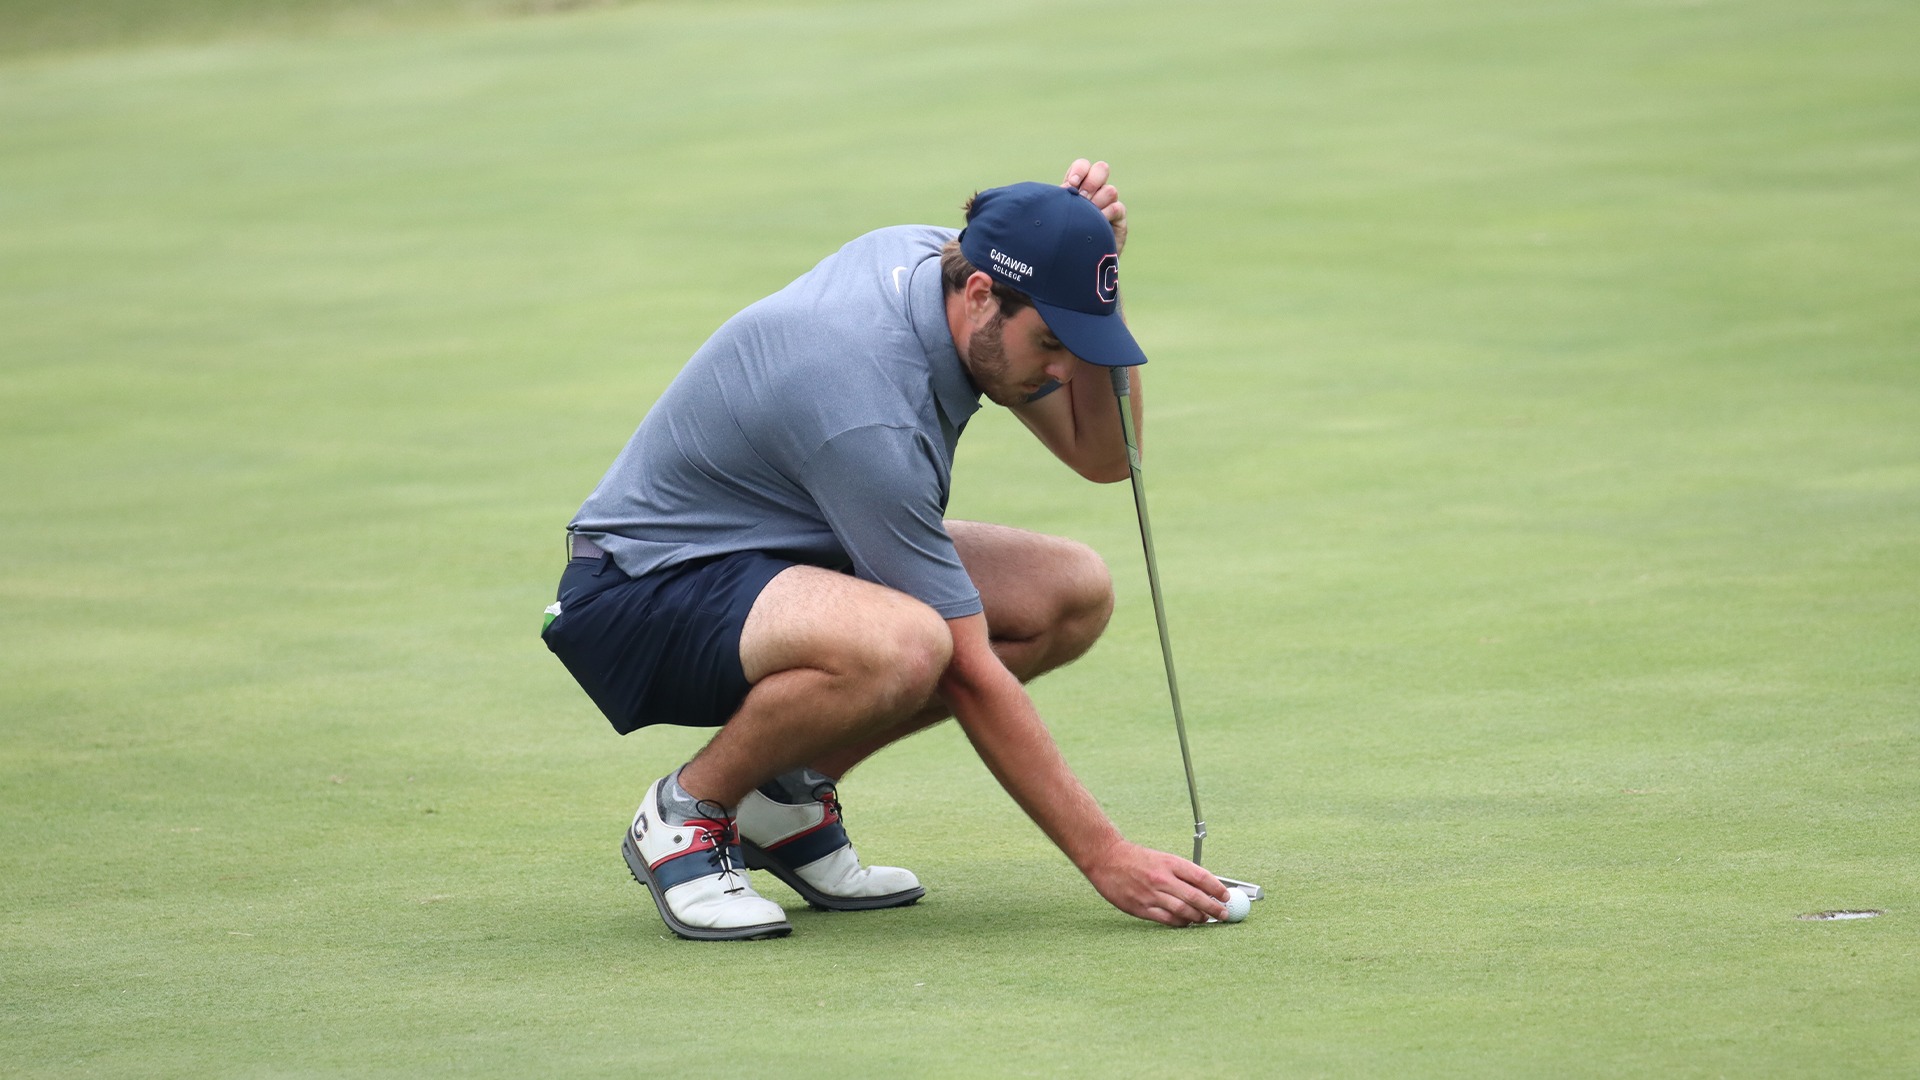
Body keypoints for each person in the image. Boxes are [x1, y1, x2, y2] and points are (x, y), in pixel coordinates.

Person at [542, 159, 1232, 940]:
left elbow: (1104, 455)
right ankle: (688, 813)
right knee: (908, 643)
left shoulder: (954, 265)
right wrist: (1105, 856)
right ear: (980, 298)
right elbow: (970, 672)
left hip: (781, 558)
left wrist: (1086, 265)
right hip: (643, 592)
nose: (1065, 371)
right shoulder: (865, 406)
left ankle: (784, 802)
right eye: (1051, 341)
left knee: (1067, 591)